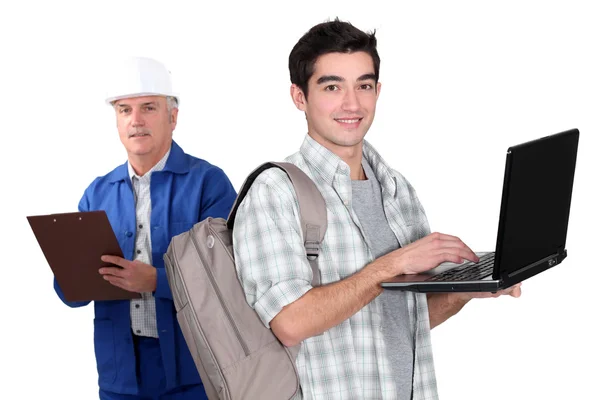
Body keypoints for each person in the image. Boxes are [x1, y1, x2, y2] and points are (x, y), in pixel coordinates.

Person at [232, 19, 521, 400]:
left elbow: (404, 323)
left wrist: (466, 290)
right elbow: (289, 322)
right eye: (332, 86)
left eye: (364, 86)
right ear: (299, 97)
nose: (352, 104)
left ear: (378, 91)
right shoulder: (276, 192)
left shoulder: (396, 188)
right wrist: (392, 265)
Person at [53, 56, 237, 399]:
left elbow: (230, 278)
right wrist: (69, 276)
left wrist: (155, 280)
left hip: (193, 372)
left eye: (148, 108)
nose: (136, 121)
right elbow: (69, 295)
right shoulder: (97, 193)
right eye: (125, 110)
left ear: (173, 117)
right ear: (117, 120)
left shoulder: (208, 184)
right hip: (120, 374)